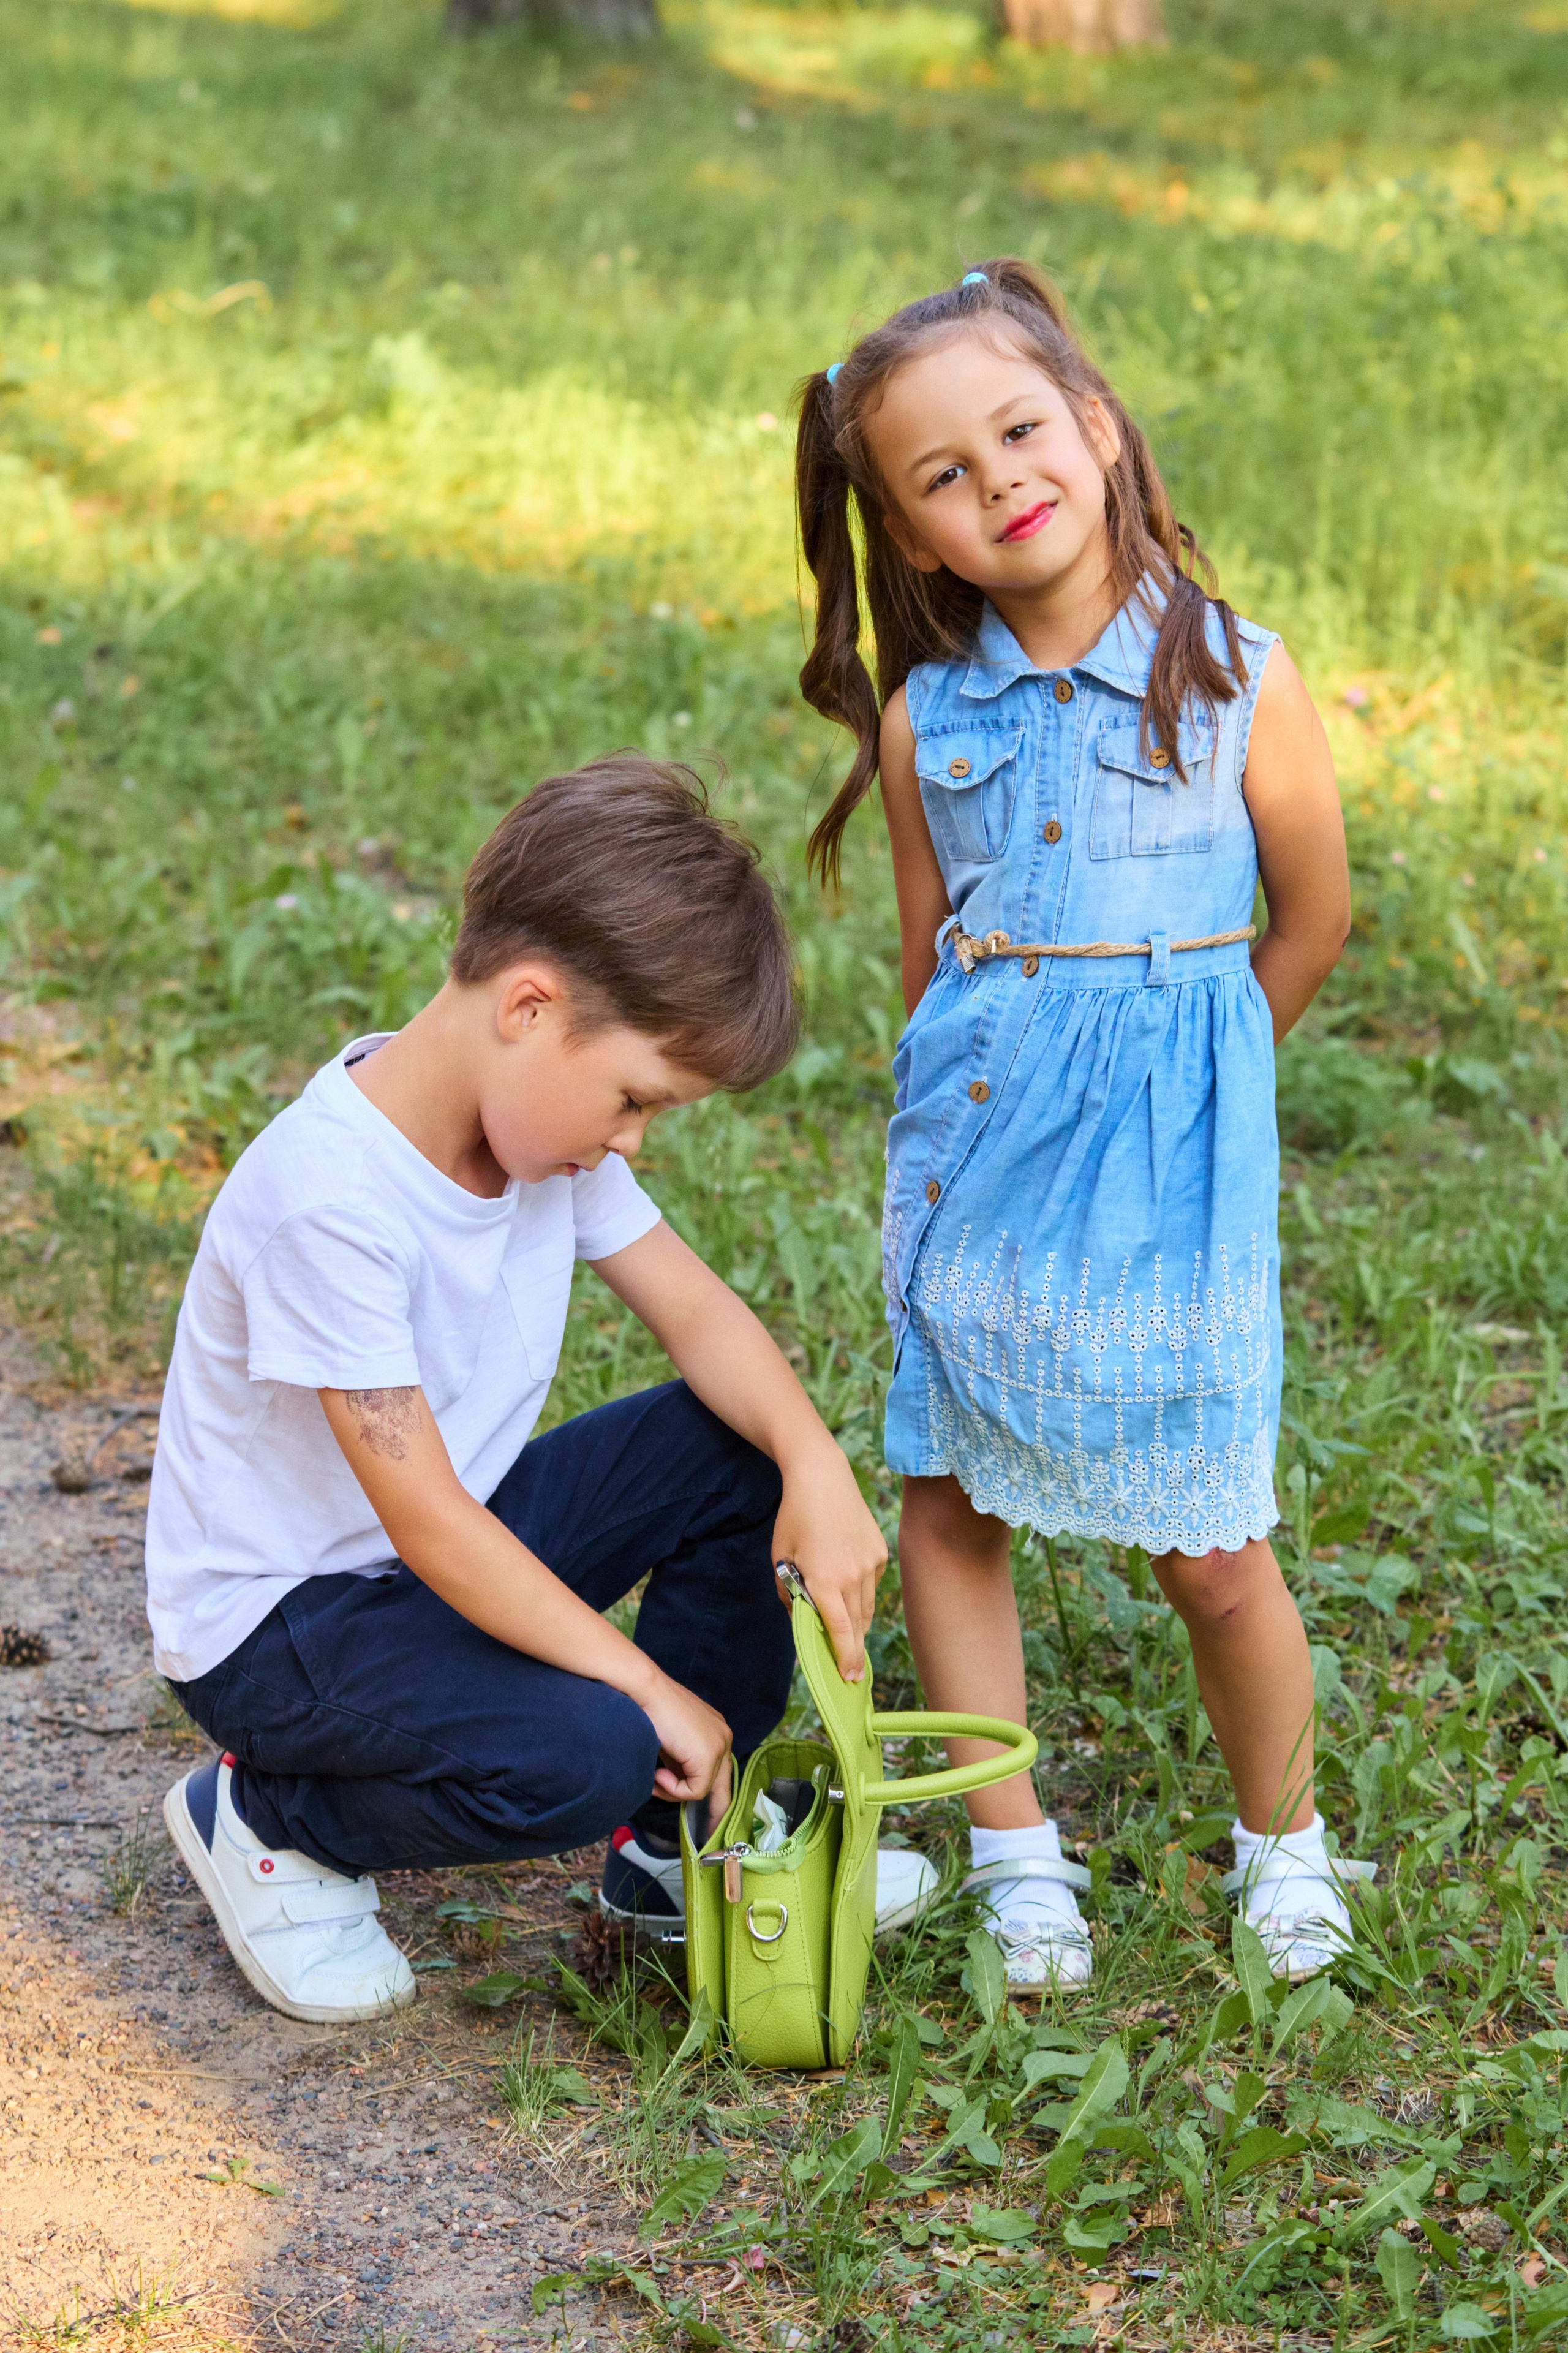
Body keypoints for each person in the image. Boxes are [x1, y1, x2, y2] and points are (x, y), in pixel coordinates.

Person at [793, 259, 1371, 1992]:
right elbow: (929, 971)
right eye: (942, 475)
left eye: (1020, 432)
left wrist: (1191, 1087)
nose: (998, 482)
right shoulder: (931, 722)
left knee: (1211, 1544)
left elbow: (1312, 919)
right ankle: (1013, 1853)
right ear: (912, 537)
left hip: (1169, 1164)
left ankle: (1285, 1845)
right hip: (977, 1154)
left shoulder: (1237, 678)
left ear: (1099, 430)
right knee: (951, 1501)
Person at [149, 756, 932, 2026]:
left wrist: (814, 1464)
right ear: (527, 1006)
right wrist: (647, 1688)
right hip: (283, 1633)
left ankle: (678, 1844)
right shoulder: (329, 1201)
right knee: (591, 1751)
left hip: (432, 1562)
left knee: (734, 1451)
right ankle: (272, 1819)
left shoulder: (537, 1141)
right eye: (632, 1098)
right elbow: (430, 1525)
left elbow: (698, 1314)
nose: (630, 1139)